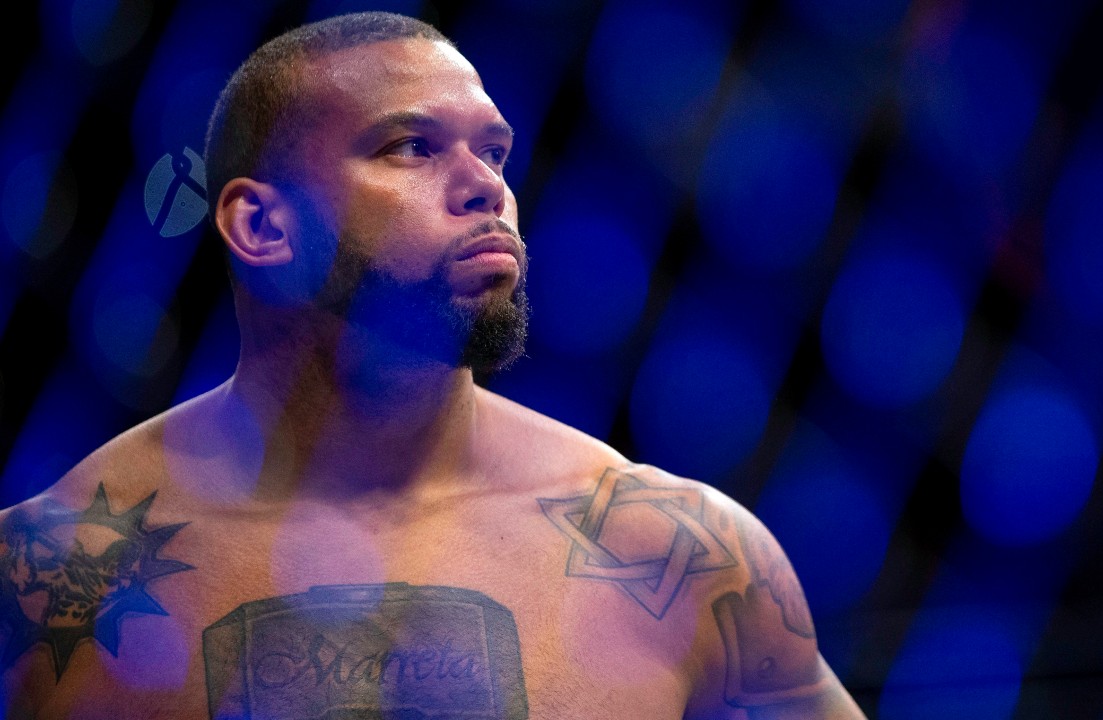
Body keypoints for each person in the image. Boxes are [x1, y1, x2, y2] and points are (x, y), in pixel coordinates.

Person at [0, 12, 866, 719]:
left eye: (492, 152)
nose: (484, 186)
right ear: (264, 228)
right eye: (411, 147)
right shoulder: (52, 575)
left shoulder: (677, 552)